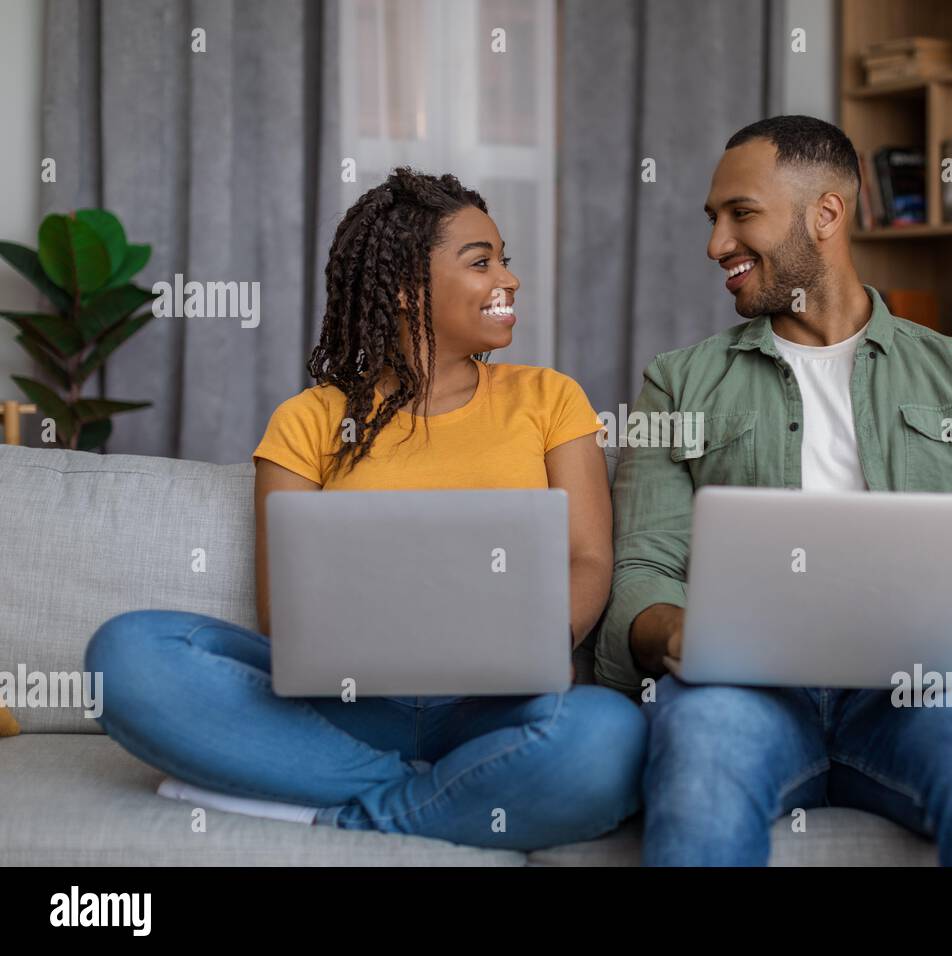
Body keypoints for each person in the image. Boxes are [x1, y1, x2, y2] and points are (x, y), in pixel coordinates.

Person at [86, 168, 646, 851]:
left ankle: (330, 806)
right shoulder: (309, 419)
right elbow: (283, 612)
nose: (510, 279)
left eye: (505, 260)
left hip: (495, 706)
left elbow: (587, 557)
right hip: (344, 706)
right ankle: (459, 789)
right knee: (128, 653)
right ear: (409, 288)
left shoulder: (550, 398)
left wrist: (548, 640)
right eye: (482, 262)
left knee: (609, 739)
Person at [595, 116, 952, 866]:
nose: (716, 244)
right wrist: (679, 633)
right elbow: (640, 572)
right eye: (713, 220)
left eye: (740, 214)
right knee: (703, 739)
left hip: (922, 692)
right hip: (747, 694)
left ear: (825, 215)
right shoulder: (677, 382)